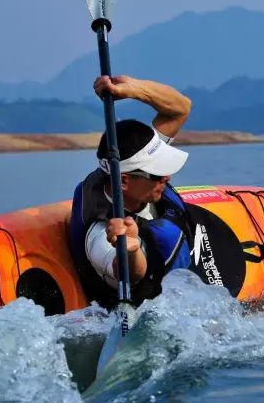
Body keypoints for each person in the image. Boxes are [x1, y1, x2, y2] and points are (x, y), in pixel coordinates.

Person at [69, 75, 193, 308]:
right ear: (124, 182)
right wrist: (132, 251)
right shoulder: (100, 233)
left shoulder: (137, 157)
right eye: (157, 174)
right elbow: (128, 274)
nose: (167, 177)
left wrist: (134, 90)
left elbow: (180, 108)